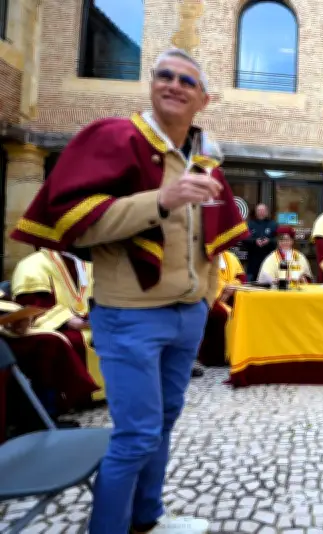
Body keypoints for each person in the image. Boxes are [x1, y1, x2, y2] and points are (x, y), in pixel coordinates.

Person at [10, 48, 248, 533]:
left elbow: (208, 246)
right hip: (130, 317)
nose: (174, 85)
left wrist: (204, 298)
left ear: (204, 99)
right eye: (165, 75)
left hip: (187, 316)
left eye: (187, 80)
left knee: (161, 424)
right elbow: (78, 227)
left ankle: (147, 519)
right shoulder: (116, 139)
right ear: (151, 84)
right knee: (136, 437)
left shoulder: (203, 159)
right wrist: (159, 199)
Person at [11, 248, 105, 402]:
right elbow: (33, 305)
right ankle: (76, 397)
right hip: (53, 324)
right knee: (71, 340)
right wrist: (66, 320)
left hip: (93, 320)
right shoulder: (32, 264)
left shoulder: (88, 262)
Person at [197, 250, 246, 367]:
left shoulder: (231, 256)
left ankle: (239, 353)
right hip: (207, 297)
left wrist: (231, 287)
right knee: (219, 315)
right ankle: (214, 356)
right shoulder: (204, 256)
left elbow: (241, 277)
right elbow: (203, 278)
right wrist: (223, 289)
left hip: (230, 294)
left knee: (244, 309)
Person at [243, 203, 278, 281]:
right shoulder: (249, 224)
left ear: (267, 212)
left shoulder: (273, 224)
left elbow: (277, 240)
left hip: (268, 261)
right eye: (259, 210)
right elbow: (244, 239)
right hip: (252, 263)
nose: (261, 212)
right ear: (256, 212)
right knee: (250, 287)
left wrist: (269, 241)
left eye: (263, 210)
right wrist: (255, 241)